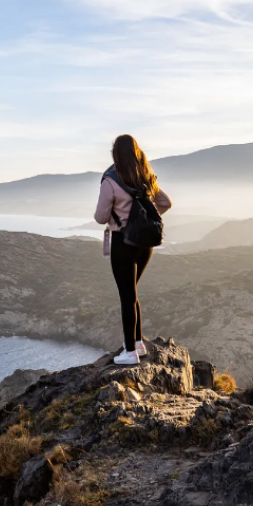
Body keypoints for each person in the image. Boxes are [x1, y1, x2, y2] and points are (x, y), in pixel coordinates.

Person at [94, 134, 172, 365]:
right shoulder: (145, 176)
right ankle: (138, 343)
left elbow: (100, 217)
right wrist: (143, 221)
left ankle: (130, 352)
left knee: (127, 297)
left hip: (123, 243)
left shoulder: (110, 180)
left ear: (115, 154)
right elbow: (165, 203)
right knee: (132, 294)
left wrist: (122, 218)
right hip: (145, 244)